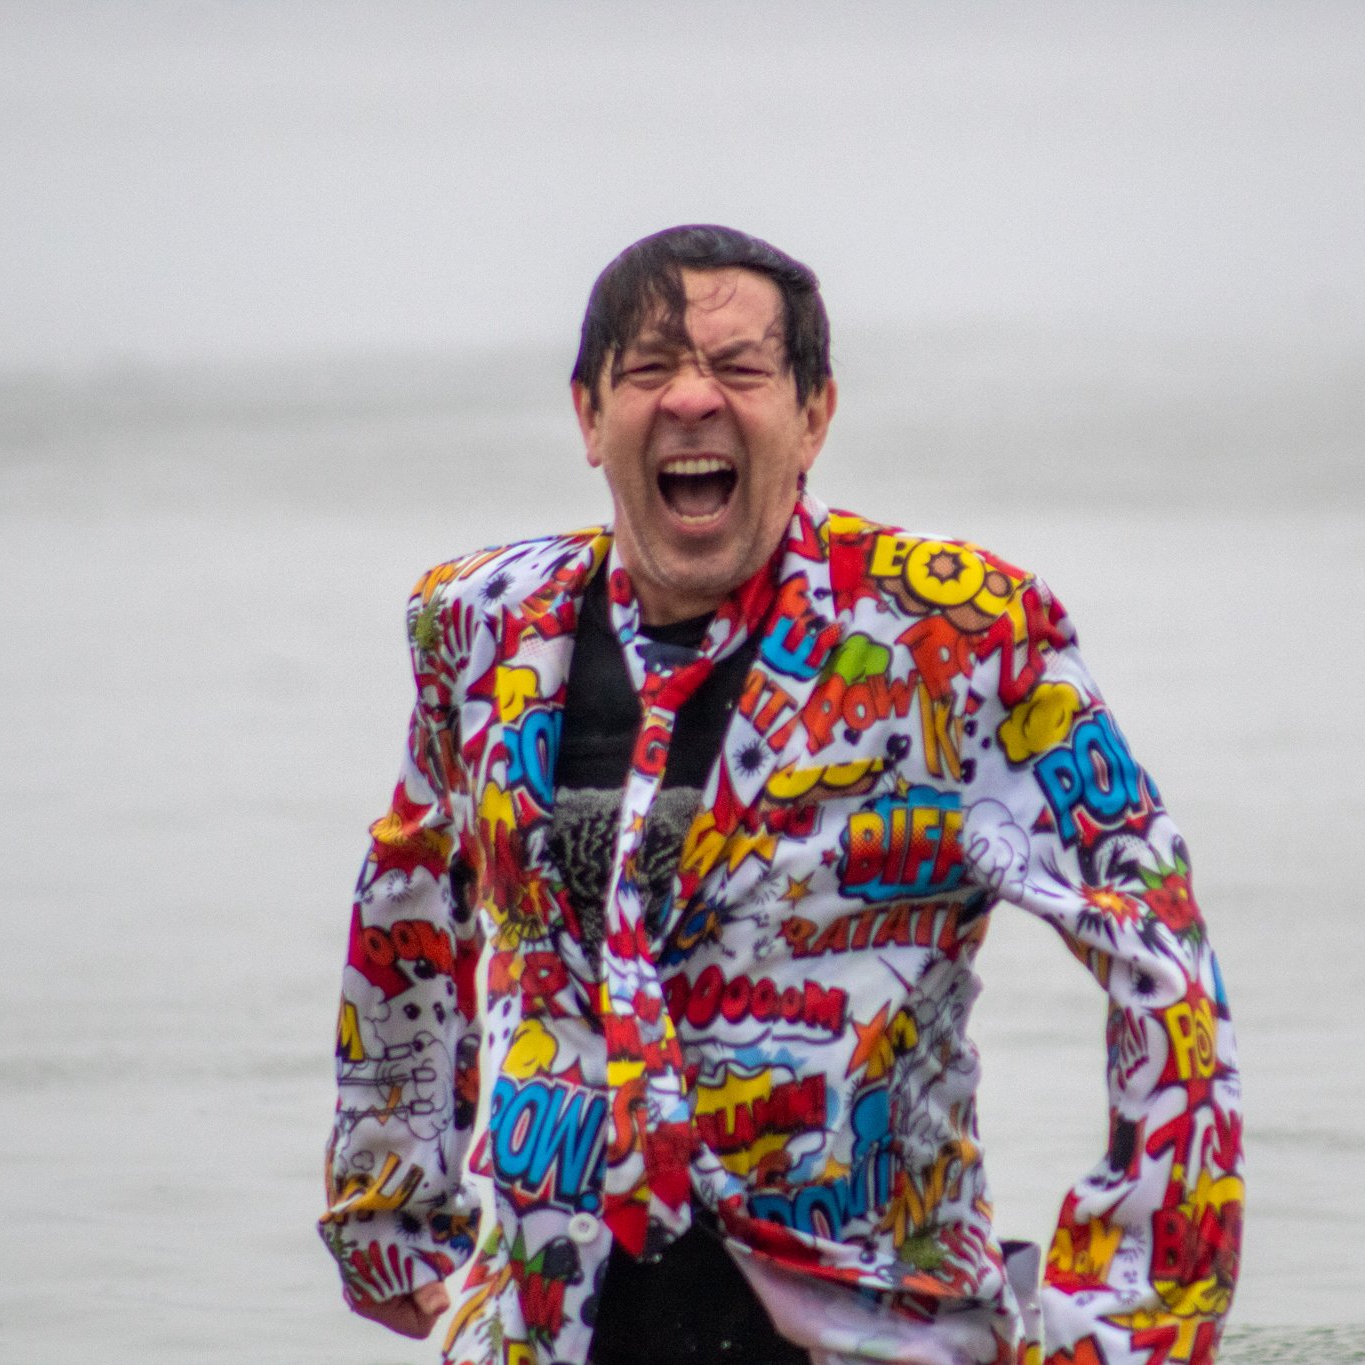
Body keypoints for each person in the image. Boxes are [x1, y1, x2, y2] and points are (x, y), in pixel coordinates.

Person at [319, 225, 1243, 1365]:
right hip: (541, 1324)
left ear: (814, 416)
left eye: (739, 368)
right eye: (649, 369)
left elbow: (1156, 950)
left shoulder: (958, 633)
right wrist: (390, 1198)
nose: (690, 398)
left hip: (872, 1327)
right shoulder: (475, 625)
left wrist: (1131, 1317)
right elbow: (411, 891)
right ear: (588, 417)